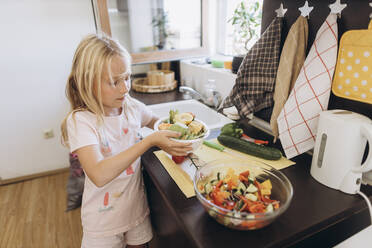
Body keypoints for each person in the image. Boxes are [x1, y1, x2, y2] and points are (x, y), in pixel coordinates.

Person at [60, 33, 192, 248]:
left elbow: (157, 122)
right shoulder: (81, 121)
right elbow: (99, 174)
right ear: (88, 82)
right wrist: (149, 142)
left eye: (127, 77)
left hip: (135, 212)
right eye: (114, 82)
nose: (125, 88)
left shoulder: (131, 107)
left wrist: (182, 130)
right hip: (102, 222)